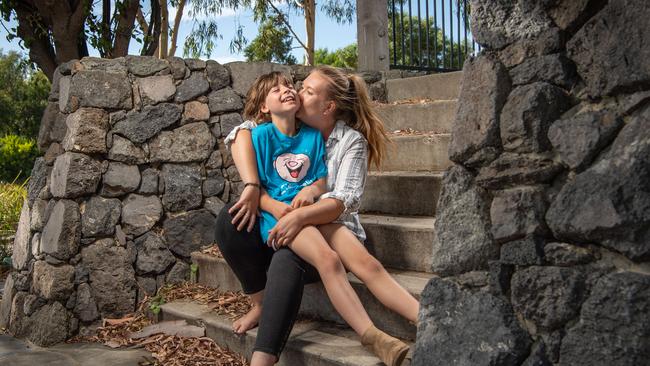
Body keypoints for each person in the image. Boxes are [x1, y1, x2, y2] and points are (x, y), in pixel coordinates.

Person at [216, 66, 419, 366]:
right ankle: (268, 346)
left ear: (328, 107)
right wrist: (258, 192)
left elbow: (337, 198)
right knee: (301, 255)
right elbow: (239, 135)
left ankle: (424, 318)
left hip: (325, 221)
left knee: (366, 263)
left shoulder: (331, 140)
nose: (295, 91)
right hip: (288, 220)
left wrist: (309, 197)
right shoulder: (266, 133)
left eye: (306, 90)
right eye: (293, 87)